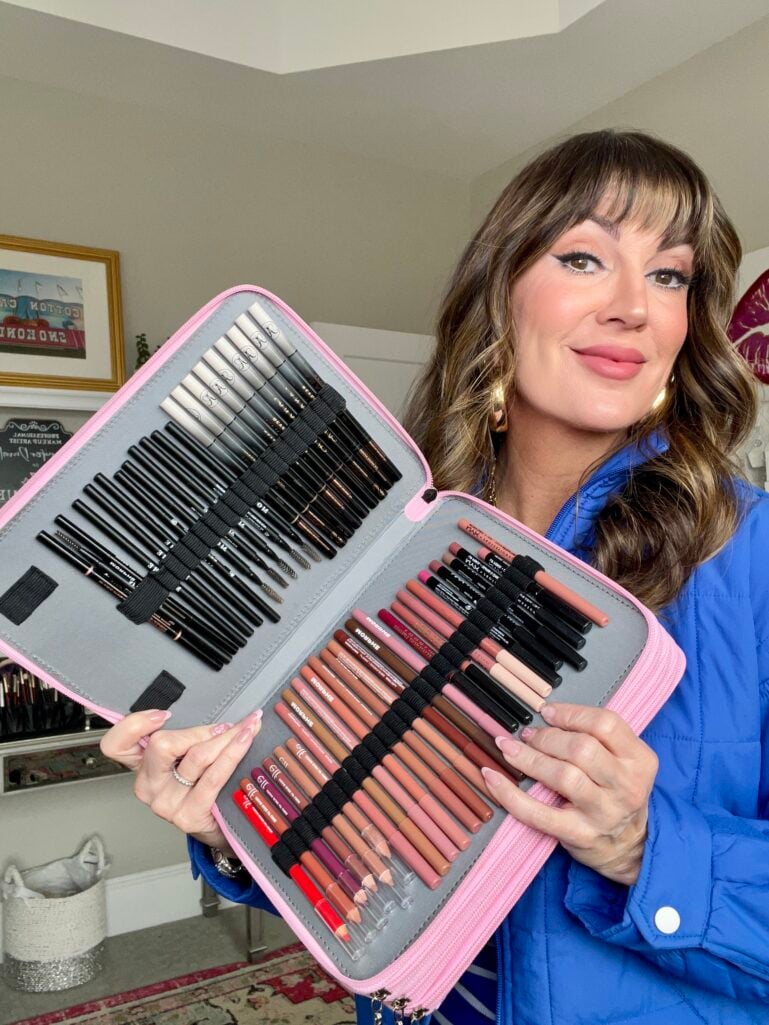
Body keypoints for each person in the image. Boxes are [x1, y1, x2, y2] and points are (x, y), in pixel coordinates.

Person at [102, 129, 769, 1024]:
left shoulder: (749, 551)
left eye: (668, 275)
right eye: (583, 257)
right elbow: (358, 878)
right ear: (500, 295)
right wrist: (235, 831)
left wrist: (646, 847)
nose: (632, 308)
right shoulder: (389, 548)